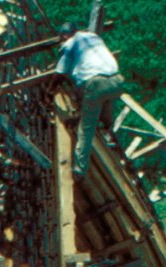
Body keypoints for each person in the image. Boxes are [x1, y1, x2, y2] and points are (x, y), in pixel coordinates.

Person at [55, 23, 124, 177]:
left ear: (65, 36)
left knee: (86, 129)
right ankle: (107, 131)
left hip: (97, 85)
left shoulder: (70, 43)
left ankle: (79, 170)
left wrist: (49, 89)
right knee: (104, 113)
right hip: (117, 81)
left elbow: (60, 72)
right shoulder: (93, 36)